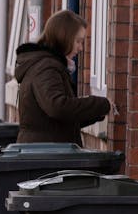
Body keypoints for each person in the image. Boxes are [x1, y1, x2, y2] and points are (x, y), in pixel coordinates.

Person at [14, 9, 111, 145]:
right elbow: (58, 107)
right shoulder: (46, 68)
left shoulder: (46, 65)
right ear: (64, 38)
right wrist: (101, 104)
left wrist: (97, 112)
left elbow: (61, 120)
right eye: (78, 41)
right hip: (46, 156)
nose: (80, 48)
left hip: (43, 151)